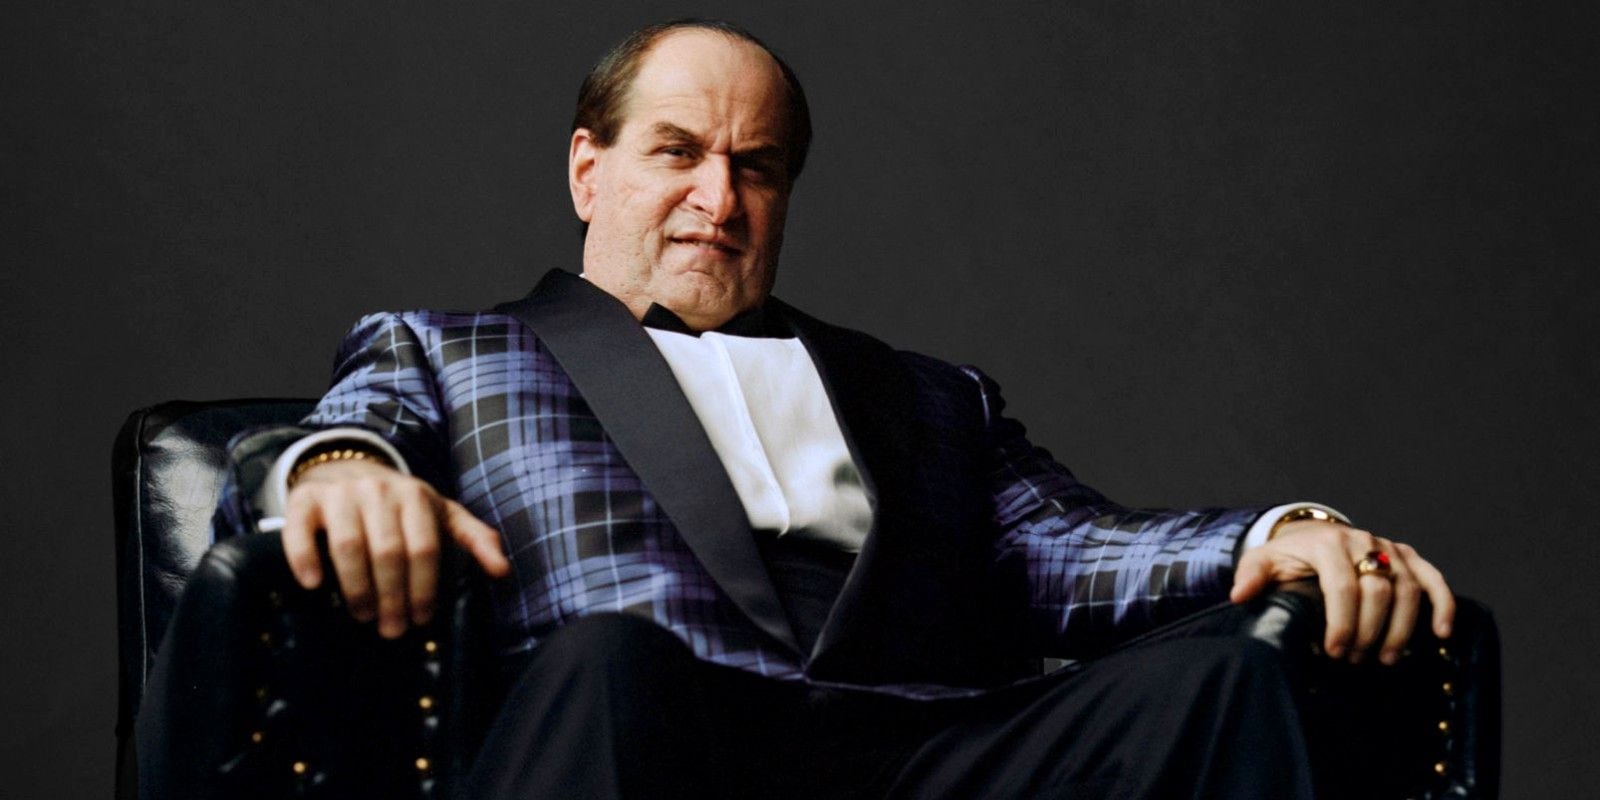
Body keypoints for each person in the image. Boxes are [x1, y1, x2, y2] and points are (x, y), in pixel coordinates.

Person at [223, 18, 1456, 799]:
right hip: (649, 728)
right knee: (605, 658)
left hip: (921, 751)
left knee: (1225, 680)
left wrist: (1279, 533)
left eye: (755, 167)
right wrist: (339, 466)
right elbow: (341, 430)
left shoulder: (929, 394)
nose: (719, 198)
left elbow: (1070, 548)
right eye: (678, 151)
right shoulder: (453, 350)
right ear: (588, 168)